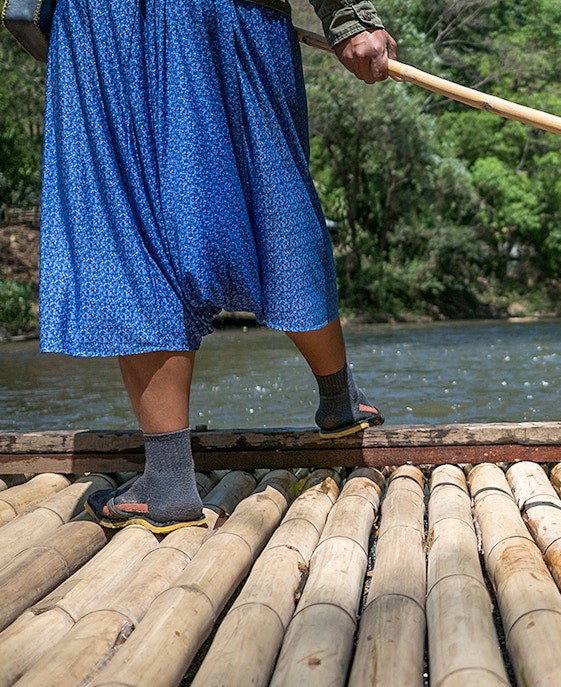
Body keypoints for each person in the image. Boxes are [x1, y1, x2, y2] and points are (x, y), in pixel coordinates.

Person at [38, 0, 397, 532]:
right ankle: (339, 399)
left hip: (105, 22)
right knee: (272, 196)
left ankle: (167, 479)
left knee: (131, 231)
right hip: (228, 12)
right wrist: (348, 16)